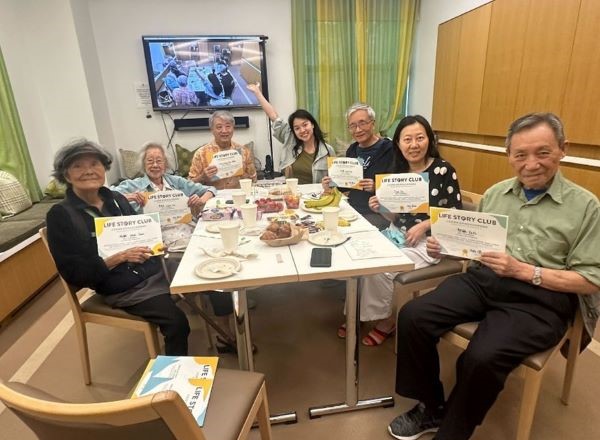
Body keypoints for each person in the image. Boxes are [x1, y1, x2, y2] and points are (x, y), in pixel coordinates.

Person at [388, 112, 600, 440]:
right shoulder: (497, 194)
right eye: (520, 155)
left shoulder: (586, 207)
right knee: (414, 316)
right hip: (484, 279)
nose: (531, 163)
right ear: (509, 156)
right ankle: (431, 407)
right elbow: (471, 248)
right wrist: (442, 246)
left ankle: (453, 431)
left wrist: (526, 271)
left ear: (562, 149)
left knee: (481, 356)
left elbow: (590, 279)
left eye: (543, 152)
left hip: (540, 298)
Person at [46, 138, 190, 355]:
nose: (88, 171)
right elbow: (74, 274)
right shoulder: (61, 216)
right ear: (66, 175)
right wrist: (118, 258)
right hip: (123, 286)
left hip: (152, 269)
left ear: (104, 168)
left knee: (206, 277)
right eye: (78, 166)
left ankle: (229, 336)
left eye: (95, 164)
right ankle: (170, 386)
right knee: (177, 323)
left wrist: (154, 242)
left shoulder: (116, 199)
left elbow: (141, 235)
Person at [338, 115, 462, 346]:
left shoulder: (443, 170)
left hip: (430, 242)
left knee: (381, 270)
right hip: (397, 233)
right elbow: (396, 217)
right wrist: (381, 208)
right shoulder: (398, 172)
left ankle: (385, 320)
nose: (414, 145)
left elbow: (454, 214)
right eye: (407, 139)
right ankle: (358, 315)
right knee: (356, 259)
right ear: (398, 144)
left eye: (419, 138)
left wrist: (424, 226)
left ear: (429, 140)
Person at [322, 103, 395, 229]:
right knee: (323, 224)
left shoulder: (390, 149)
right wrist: (331, 183)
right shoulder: (352, 149)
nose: (358, 130)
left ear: (373, 123)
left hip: (378, 214)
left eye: (362, 123)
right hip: (352, 208)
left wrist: (376, 187)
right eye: (352, 126)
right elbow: (347, 185)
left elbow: (397, 188)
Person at [247, 83, 336, 184]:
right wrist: (257, 93)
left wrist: (328, 183)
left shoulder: (328, 150)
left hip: (318, 196)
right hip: (293, 195)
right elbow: (273, 116)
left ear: (312, 124)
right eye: (297, 128)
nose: (302, 130)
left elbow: (335, 179)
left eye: (305, 125)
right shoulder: (290, 139)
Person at [110, 142, 216, 214]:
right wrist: (127, 197)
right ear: (143, 164)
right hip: (152, 235)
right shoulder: (133, 185)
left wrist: (201, 201)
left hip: (182, 229)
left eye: (159, 161)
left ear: (166, 164)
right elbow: (104, 197)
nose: (155, 165)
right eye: (150, 161)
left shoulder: (177, 181)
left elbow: (211, 190)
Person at [188, 110, 257, 190]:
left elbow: (254, 180)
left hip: (239, 197)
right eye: (219, 127)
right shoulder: (201, 153)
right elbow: (189, 184)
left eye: (228, 126)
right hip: (212, 198)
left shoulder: (244, 152)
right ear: (212, 130)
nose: (224, 131)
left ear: (233, 128)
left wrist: (242, 173)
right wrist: (202, 177)